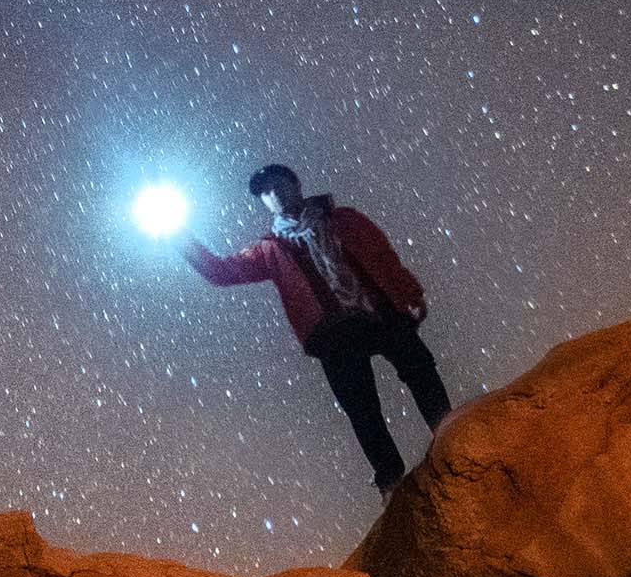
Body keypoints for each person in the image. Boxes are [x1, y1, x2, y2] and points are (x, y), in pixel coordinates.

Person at [184, 163, 453, 491]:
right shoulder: (270, 250)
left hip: (379, 310)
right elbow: (221, 272)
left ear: (295, 183)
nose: (273, 195)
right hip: (332, 333)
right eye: (265, 193)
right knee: (361, 408)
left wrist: (409, 291)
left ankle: (452, 438)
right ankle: (391, 482)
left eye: (278, 185)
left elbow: (382, 255)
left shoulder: (344, 219)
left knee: (421, 370)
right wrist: (180, 238)